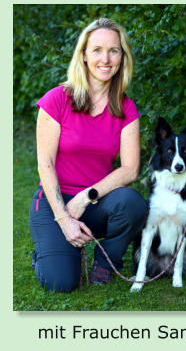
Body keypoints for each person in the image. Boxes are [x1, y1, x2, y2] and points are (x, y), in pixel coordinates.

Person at [29, 17, 148, 292]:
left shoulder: (126, 108)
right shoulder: (57, 100)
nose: (105, 59)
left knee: (133, 203)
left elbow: (130, 169)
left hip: (96, 202)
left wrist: (86, 197)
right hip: (54, 201)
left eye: (113, 50)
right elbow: (44, 164)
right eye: (97, 50)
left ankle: (106, 263)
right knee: (60, 283)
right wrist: (64, 218)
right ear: (83, 56)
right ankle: (45, 256)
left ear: (122, 57)